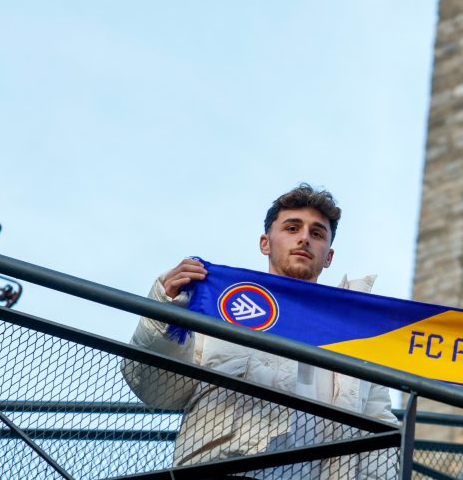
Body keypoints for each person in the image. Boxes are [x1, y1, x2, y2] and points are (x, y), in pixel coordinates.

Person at [122, 184, 398, 477]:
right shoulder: (219, 308)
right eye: (292, 228)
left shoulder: (357, 335)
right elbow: (158, 392)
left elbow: (380, 436)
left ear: (328, 256)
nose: (304, 238)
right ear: (265, 243)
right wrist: (165, 308)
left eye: (317, 233)